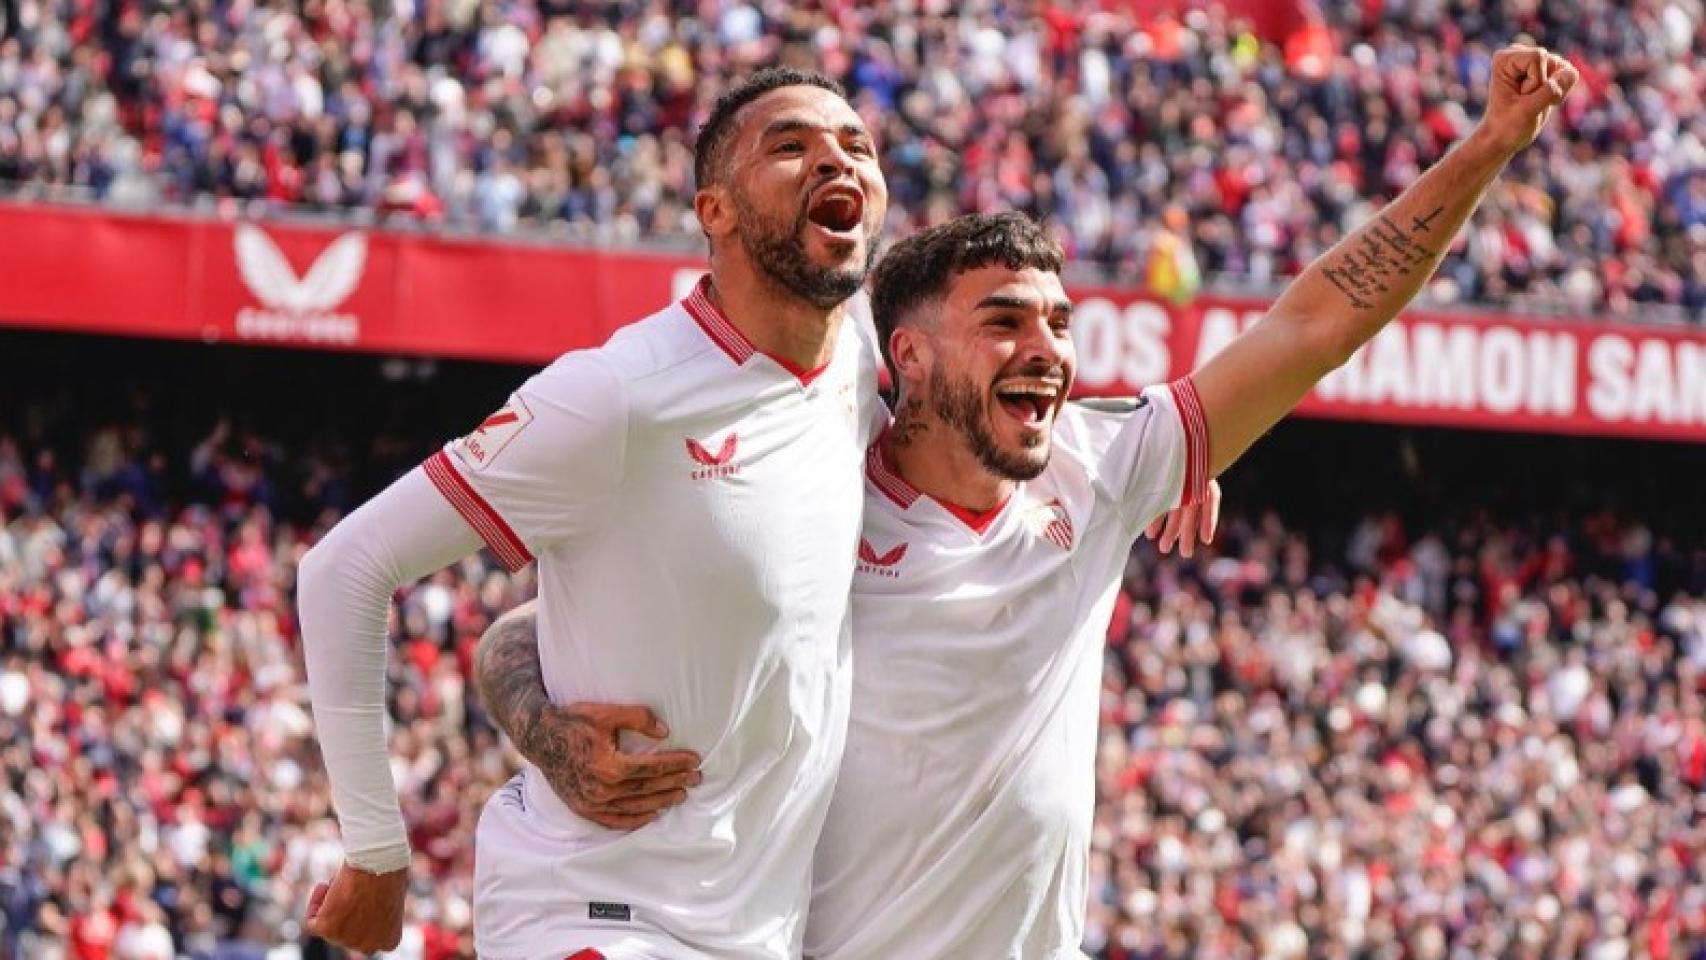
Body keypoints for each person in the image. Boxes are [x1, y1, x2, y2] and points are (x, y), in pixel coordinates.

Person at [478, 44, 1578, 958]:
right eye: (1004, 321)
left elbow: (1314, 323)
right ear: (903, 354)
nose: (1046, 352)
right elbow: (523, 634)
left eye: (1057, 325)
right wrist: (544, 728)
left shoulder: (1097, 473)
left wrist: (1484, 150)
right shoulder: (810, 485)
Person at [296, 66, 895, 958]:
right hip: (598, 915)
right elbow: (344, 568)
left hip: (754, 928)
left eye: (856, 146)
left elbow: (569, 621)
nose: (834, 161)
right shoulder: (616, 396)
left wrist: (535, 715)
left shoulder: (852, 363)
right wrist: (376, 855)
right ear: (715, 211)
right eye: (790, 146)